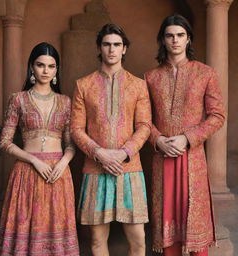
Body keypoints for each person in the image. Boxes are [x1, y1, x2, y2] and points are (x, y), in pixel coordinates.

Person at [145, 14, 225, 256]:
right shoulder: (151, 77)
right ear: (163, 40)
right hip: (162, 158)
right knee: (168, 227)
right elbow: (143, 120)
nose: (175, 41)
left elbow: (217, 116)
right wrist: (158, 139)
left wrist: (187, 139)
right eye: (170, 36)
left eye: (180, 36)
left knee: (194, 226)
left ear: (188, 39)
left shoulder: (205, 73)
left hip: (193, 158)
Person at [71, 24, 151, 256]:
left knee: (138, 240)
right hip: (96, 170)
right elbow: (76, 129)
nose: (112, 49)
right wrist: (100, 154)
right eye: (107, 44)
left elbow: (144, 126)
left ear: (124, 49)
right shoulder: (83, 85)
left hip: (130, 169)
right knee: (97, 241)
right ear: (99, 47)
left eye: (117, 44)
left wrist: (124, 153)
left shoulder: (138, 85)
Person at [0, 42, 79, 255]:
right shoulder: (18, 99)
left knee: (56, 230)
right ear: (31, 67)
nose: (45, 71)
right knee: (27, 229)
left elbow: (70, 144)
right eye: (40, 65)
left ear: (56, 70)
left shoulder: (65, 101)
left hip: (57, 175)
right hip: (27, 173)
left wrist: (63, 162)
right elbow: (4, 141)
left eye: (51, 66)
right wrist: (34, 160)